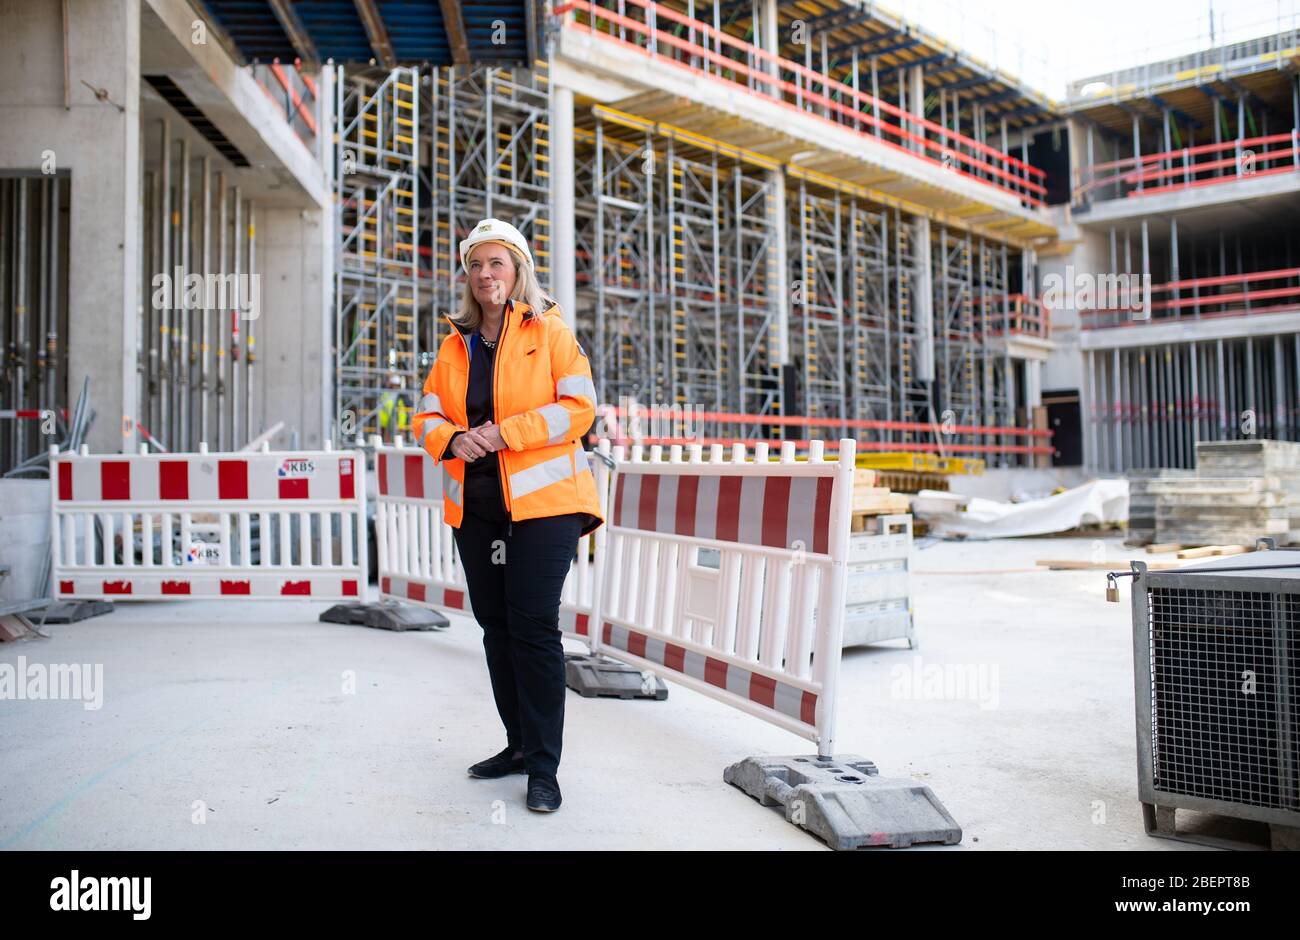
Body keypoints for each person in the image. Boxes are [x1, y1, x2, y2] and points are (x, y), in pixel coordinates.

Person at [410, 218, 603, 813]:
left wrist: (501, 435)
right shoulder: (452, 346)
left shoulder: (548, 332)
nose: (485, 275)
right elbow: (424, 418)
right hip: (480, 510)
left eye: (497, 263)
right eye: (476, 265)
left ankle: (544, 769)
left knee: (534, 626)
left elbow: (579, 409)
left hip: (548, 508)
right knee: (495, 626)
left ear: (518, 269)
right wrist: (451, 440)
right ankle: (518, 746)